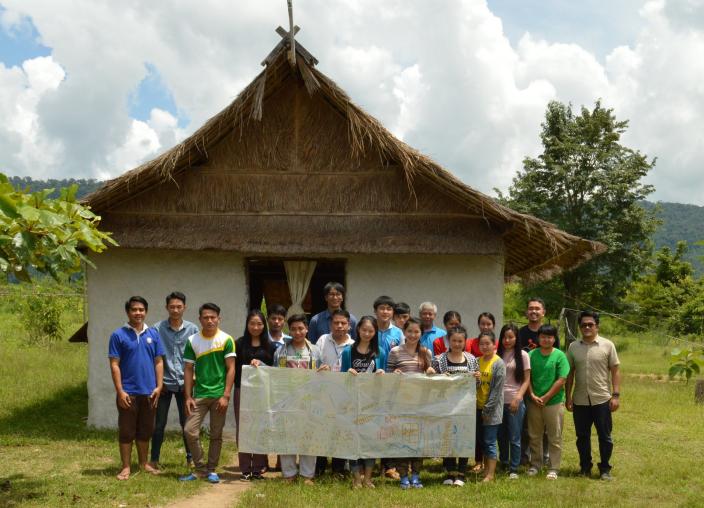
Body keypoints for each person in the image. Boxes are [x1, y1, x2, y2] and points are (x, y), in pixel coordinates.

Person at [108, 296, 164, 481]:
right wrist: (120, 391)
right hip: (128, 393)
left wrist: (159, 386)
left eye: (141, 309)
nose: (138, 313)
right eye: (134, 310)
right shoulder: (118, 335)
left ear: (145, 312)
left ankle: (143, 463)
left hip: (149, 393)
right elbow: (114, 364)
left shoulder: (153, 334)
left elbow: (158, 361)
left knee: (145, 430)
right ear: (128, 312)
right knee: (126, 431)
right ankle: (125, 467)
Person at [180, 303, 236, 484]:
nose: (210, 320)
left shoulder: (226, 339)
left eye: (213, 317)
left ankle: (211, 469)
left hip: (219, 395)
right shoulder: (192, 340)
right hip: (200, 395)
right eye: (206, 317)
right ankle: (200, 468)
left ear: (219, 319)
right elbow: (188, 369)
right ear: (200, 320)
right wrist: (188, 396)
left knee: (216, 434)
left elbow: (231, 369)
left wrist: (226, 395)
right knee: (190, 431)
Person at [565, 311, 621, 481]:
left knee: (605, 436)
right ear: (580, 327)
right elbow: (569, 374)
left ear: (597, 326)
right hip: (580, 399)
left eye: (590, 324)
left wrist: (616, 395)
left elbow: (615, 370)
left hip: (602, 399)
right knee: (582, 437)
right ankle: (585, 467)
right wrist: (568, 397)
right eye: (584, 325)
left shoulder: (608, 345)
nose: (587, 327)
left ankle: (605, 468)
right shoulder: (573, 347)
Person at [149, 291, 199, 470]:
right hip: (164, 384)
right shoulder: (156, 329)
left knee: (187, 423)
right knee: (159, 424)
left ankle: (191, 458)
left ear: (185, 307)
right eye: (172, 307)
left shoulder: (193, 329)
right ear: (166, 308)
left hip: (185, 385)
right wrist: (157, 383)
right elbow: (152, 357)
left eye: (179, 307)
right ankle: (154, 459)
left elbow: (198, 356)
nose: (175, 310)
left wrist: (193, 378)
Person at [272, 314, 323, 485]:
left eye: (301, 328)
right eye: (293, 329)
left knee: (310, 437)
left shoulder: (315, 350)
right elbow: (274, 374)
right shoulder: (281, 350)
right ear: (289, 330)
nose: (297, 332)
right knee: (287, 437)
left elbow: (324, 374)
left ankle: (307, 475)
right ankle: (289, 474)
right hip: (288, 400)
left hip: (310, 400)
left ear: (307, 329)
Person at [386, 317, 435, 489]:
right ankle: (403, 476)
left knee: (418, 441)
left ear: (421, 333)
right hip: (400, 403)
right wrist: (395, 373)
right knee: (402, 440)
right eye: (409, 331)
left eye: (416, 331)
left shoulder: (426, 352)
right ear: (404, 332)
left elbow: (433, 378)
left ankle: (416, 475)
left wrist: (431, 371)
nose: (413, 334)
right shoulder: (395, 352)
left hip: (421, 404)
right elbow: (387, 373)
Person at [340, 316, 386, 488]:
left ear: (375, 333)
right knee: (353, 441)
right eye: (364, 330)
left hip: (372, 404)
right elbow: (342, 376)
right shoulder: (347, 351)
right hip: (353, 403)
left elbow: (385, 376)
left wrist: (382, 373)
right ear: (358, 329)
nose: (367, 333)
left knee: (370, 441)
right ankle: (356, 478)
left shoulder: (380, 351)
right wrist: (348, 373)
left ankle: (367, 478)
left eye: (371, 331)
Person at [431, 325, 479, 486]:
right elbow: (433, 384)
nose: (457, 344)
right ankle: (449, 472)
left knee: (463, 437)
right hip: (445, 406)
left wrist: (476, 377)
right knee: (448, 438)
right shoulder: (439, 359)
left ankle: (462, 472)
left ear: (465, 342)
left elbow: (476, 385)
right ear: (448, 341)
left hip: (465, 407)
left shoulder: (472, 359)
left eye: (460, 341)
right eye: (454, 341)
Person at [234, 310, 276, 481]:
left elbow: (275, 371)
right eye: (252, 323)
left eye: (259, 324)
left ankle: (258, 468)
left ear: (264, 326)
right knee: (243, 428)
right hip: (242, 391)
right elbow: (233, 369)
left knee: (260, 428)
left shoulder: (271, 346)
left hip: (263, 393)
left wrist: (262, 364)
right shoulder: (239, 343)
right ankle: (245, 468)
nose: (256, 327)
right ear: (247, 325)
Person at [526, 324, 569, 480]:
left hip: (554, 402)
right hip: (534, 401)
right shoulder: (531, 354)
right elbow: (527, 377)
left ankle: (554, 467)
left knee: (554, 436)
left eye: (549, 337)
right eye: (543, 336)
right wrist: (531, 394)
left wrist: (546, 397)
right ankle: (535, 465)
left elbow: (562, 379)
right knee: (534, 435)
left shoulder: (560, 356)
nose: (546, 339)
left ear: (554, 339)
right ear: (538, 338)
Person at [315, 309, 355, 475]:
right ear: (330, 324)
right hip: (324, 392)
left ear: (349, 325)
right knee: (322, 429)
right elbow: (314, 361)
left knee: (340, 429)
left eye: (343, 323)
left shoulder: (353, 345)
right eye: (336, 323)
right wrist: (319, 367)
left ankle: (338, 469)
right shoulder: (323, 340)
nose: (339, 326)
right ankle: (319, 467)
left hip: (344, 394)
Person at [497, 323, 531, 479]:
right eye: (504, 337)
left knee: (514, 436)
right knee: (501, 435)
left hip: (514, 401)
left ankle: (514, 468)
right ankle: (503, 462)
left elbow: (526, 381)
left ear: (516, 338)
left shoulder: (523, 355)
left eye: (510, 337)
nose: (507, 340)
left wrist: (518, 398)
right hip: (498, 401)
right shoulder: (497, 354)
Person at [476, 331, 505, 482]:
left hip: (491, 410)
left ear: (494, 345)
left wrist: (487, 409)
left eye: (488, 343)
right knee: (482, 441)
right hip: (477, 407)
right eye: (482, 344)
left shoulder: (499, 363)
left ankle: (491, 474)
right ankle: (486, 470)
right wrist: (477, 380)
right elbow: (474, 386)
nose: (485, 346)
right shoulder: (476, 361)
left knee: (490, 441)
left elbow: (497, 390)